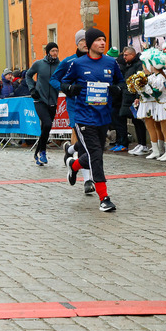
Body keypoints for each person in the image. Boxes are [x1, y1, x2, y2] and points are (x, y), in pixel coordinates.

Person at [59, 28, 125, 212]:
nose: (102, 43)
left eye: (104, 39)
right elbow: (64, 83)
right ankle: (104, 198)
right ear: (89, 44)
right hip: (84, 117)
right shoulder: (78, 64)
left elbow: (121, 82)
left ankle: (74, 165)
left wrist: (118, 89)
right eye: (98, 40)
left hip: (103, 116)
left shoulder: (111, 62)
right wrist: (71, 89)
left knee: (94, 154)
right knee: (96, 156)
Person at [51, 29, 95, 192]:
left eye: (87, 40)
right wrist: (67, 88)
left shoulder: (97, 60)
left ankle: (70, 149)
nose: (85, 43)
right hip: (75, 105)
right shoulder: (68, 61)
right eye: (82, 40)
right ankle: (88, 180)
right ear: (77, 43)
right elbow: (54, 79)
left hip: (93, 106)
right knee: (84, 141)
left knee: (90, 140)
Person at [133, 50, 166, 160]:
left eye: (146, 65)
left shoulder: (160, 77)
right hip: (157, 104)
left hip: (162, 104)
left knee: (164, 129)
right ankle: (159, 150)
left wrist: (145, 89)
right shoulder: (153, 77)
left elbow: (157, 93)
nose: (144, 67)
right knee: (157, 128)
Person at [26, 42, 60, 166]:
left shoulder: (60, 65)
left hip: (53, 101)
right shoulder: (39, 64)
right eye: (53, 51)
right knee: (47, 124)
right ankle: (43, 152)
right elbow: (28, 75)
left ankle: (37, 153)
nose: (55, 53)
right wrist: (32, 89)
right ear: (48, 52)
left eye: (56, 51)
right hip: (40, 100)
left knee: (46, 128)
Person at [119, 46, 149, 155]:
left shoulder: (138, 64)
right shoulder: (129, 65)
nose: (124, 57)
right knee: (135, 121)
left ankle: (143, 144)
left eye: (126, 55)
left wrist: (137, 96)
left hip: (134, 98)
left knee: (138, 121)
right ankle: (140, 144)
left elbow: (139, 81)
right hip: (128, 96)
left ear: (132, 54)